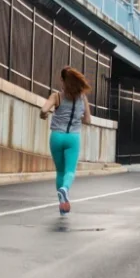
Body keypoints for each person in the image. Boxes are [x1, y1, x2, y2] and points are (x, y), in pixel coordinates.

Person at [39, 66, 92, 216]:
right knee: (70, 171)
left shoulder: (56, 97)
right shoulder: (83, 98)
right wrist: (76, 117)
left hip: (56, 137)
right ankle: (65, 190)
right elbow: (88, 120)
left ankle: (62, 204)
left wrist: (43, 114)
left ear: (63, 81)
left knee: (60, 171)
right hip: (73, 138)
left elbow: (44, 110)